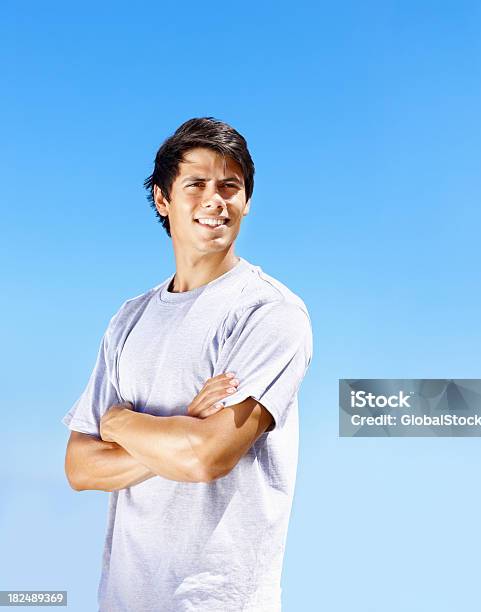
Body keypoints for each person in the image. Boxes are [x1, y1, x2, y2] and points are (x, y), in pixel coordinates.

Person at [62, 117, 313, 612]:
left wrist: (121, 422)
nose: (214, 200)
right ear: (163, 199)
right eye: (196, 184)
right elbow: (80, 467)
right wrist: (181, 429)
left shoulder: (270, 313)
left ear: (247, 201)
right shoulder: (129, 320)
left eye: (230, 186)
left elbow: (206, 458)